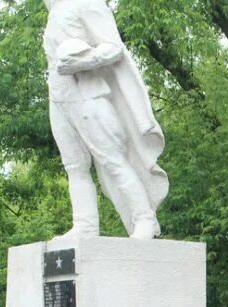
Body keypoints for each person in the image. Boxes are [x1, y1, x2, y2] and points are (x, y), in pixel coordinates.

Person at [43, 0, 169, 240]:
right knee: (74, 166)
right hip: (59, 97)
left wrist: (84, 61)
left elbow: (113, 47)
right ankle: (85, 225)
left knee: (113, 161)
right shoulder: (53, 12)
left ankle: (145, 219)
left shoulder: (88, 4)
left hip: (89, 93)